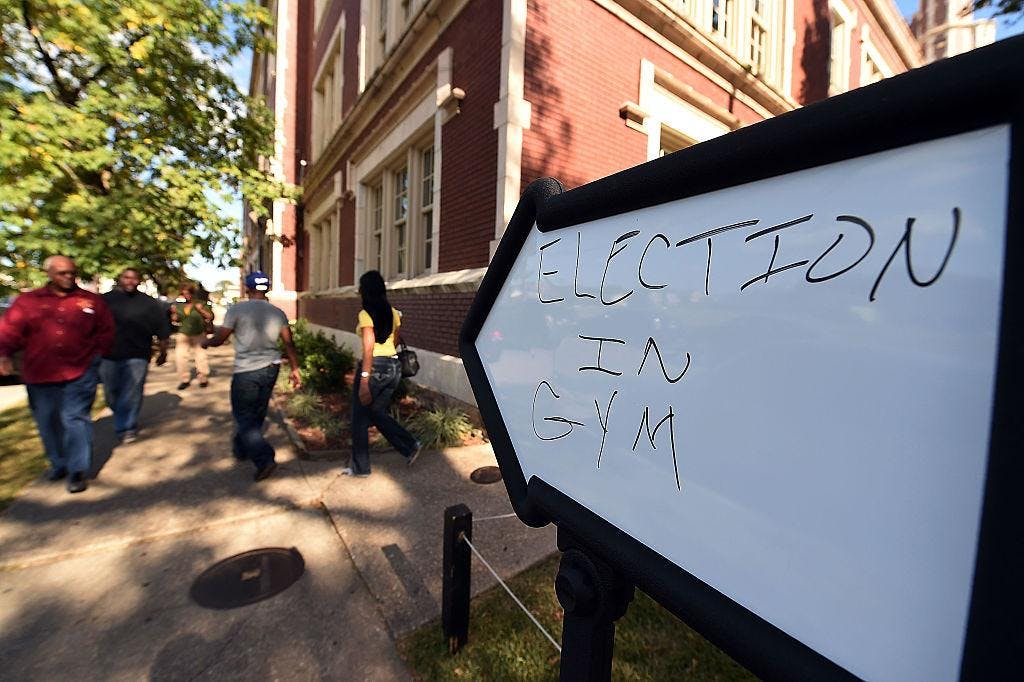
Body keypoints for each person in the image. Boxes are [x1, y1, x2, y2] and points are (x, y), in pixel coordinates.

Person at [0, 256, 114, 493]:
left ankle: (77, 470)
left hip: (81, 370)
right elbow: (10, 330)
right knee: (48, 421)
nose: (68, 277)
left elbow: (107, 330)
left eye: (72, 272)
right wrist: (4, 355)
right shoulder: (28, 301)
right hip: (40, 372)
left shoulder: (90, 300)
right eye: (62, 273)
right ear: (49, 273)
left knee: (76, 418)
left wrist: (97, 357)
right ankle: (59, 462)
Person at [202, 272, 301, 481]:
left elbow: (221, 339)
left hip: (246, 370)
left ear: (247, 289)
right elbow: (288, 342)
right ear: (267, 289)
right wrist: (295, 368)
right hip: (271, 368)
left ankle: (264, 459)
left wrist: (206, 342)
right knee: (256, 412)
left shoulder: (236, 310)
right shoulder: (278, 312)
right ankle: (241, 449)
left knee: (243, 416)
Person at [346, 270, 421, 477]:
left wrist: (363, 380)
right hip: (393, 368)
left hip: (374, 368)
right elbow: (396, 341)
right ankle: (410, 445)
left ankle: (361, 468)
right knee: (376, 413)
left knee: (360, 418)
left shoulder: (365, 314)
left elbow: (368, 348)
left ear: (365, 290)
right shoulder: (394, 313)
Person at [100, 268, 171, 444]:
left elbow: (162, 330)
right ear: (120, 279)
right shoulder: (105, 300)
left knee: (132, 392)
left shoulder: (149, 303)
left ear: (139, 281)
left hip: (137, 355)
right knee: (111, 393)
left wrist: (163, 351)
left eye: (134, 278)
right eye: (126, 277)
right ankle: (120, 415)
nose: (130, 281)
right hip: (108, 355)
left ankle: (126, 427)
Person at [170, 283, 213, 390]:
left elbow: (210, 316)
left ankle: (203, 377)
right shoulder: (180, 306)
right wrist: (174, 315)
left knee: (200, 356)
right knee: (180, 356)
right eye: (184, 294)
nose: (186, 296)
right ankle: (184, 379)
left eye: (188, 293)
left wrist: (201, 310)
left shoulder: (202, 304)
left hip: (198, 333)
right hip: (184, 333)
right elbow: (176, 319)